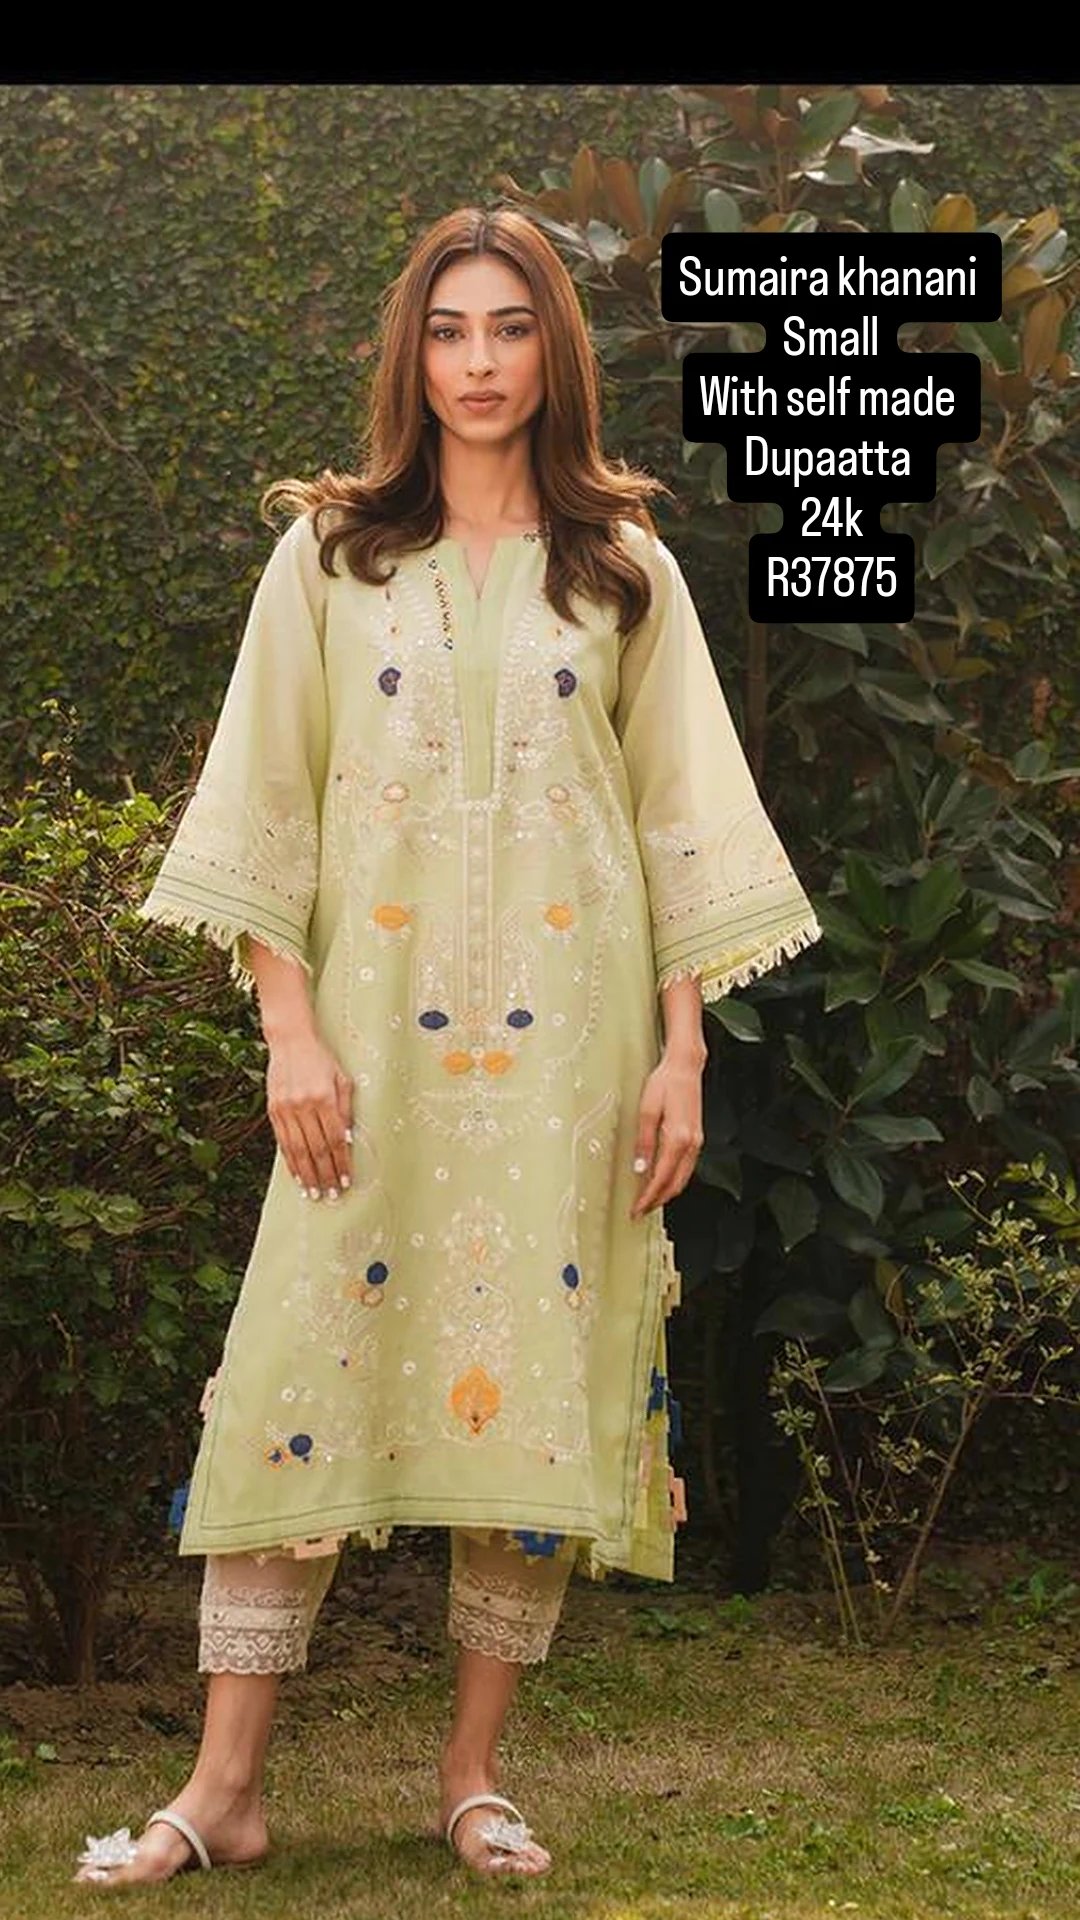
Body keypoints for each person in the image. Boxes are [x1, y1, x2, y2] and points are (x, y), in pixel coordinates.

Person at [74, 205, 821, 1888]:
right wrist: (289, 1033)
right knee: (291, 1369)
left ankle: (473, 1777)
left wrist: (682, 1056)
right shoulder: (330, 557)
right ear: (410, 355)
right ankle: (223, 1790)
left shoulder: (621, 567)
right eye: (449, 330)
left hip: (573, 1059)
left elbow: (679, 822)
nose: (480, 363)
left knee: (533, 1388)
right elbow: (266, 800)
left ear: (556, 349)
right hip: (366, 1059)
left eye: (511, 328)